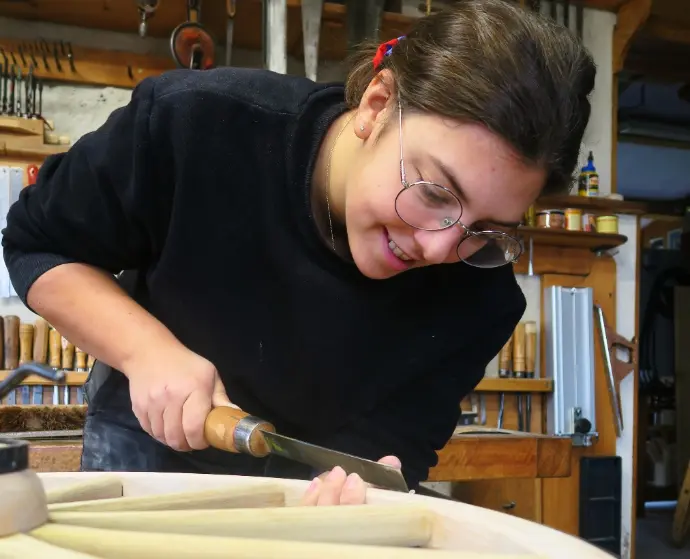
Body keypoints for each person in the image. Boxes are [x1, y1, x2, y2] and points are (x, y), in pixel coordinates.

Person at [2, 0, 595, 505]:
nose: (440, 248)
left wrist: (366, 487)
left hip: (306, 485)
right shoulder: (199, 124)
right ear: (376, 105)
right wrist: (145, 350)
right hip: (147, 443)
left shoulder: (482, 298)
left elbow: (394, 447)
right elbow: (38, 242)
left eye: (484, 228)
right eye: (434, 192)